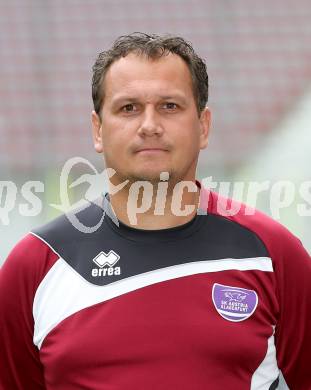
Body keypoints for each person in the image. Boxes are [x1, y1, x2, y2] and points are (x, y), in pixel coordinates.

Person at [0, 32, 310, 390]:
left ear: (203, 126)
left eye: (169, 106)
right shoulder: (36, 266)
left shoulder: (274, 255)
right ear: (98, 130)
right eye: (128, 108)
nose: (149, 125)